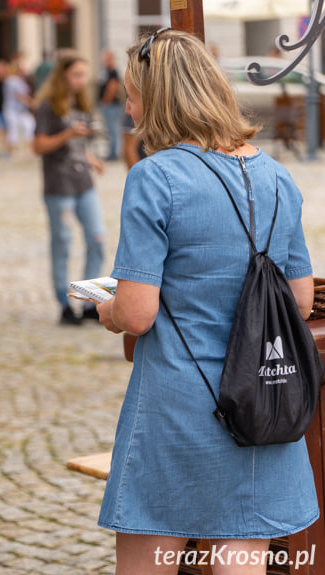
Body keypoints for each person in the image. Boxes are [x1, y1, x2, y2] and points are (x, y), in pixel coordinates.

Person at [96, 29, 319, 573]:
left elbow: (137, 312)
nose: (126, 107)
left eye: (132, 93)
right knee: (241, 551)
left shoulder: (155, 177)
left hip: (180, 400)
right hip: (265, 399)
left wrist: (105, 308)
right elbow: (300, 299)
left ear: (161, 98)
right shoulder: (276, 176)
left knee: (151, 552)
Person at [32, 50, 106, 325]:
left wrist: (92, 159)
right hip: (58, 184)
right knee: (62, 243)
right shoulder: (48, 106)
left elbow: (80, 143)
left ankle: (88, 302)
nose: (81, 80)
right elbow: (39, 146)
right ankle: (65, 305)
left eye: (84, 74)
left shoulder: (81, 101)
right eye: (76, 74)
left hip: (83, 181)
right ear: (63, 75)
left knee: (98, 239)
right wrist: (68, 134)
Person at [2, 59, 36, 157]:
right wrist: (32, 103)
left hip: (22, 110)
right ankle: (12, 152)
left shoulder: (21, 80)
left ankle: (30, 150)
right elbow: (19, 95)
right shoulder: (12, 80)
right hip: (12, 110)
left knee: (30, 127)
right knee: (13, 131)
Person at [98, 49, 122, 161]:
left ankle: (114, 153)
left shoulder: (113, 71)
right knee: (111, 129)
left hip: (111, 105)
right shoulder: (107, 71)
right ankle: (112, 151)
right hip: (109, 105)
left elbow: (112, 87)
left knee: (113, 129)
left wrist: (106, 101)